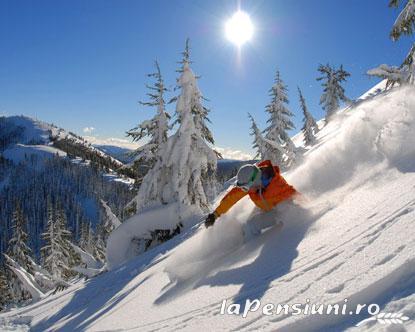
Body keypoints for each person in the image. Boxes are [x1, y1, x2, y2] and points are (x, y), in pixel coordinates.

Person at [205, 160, 297, 236]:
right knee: (245, 226)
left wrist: (302, 210)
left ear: (255, 180)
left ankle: (249, 251)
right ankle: (242, 243)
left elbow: (294, 196)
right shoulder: (251, 186)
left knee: (250, 226)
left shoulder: (276, 185)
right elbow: (231, 198)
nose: (245, 190)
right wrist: (215, 214)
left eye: (245, 187)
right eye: (243, 188)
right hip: (264, 207)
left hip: (279, 212)